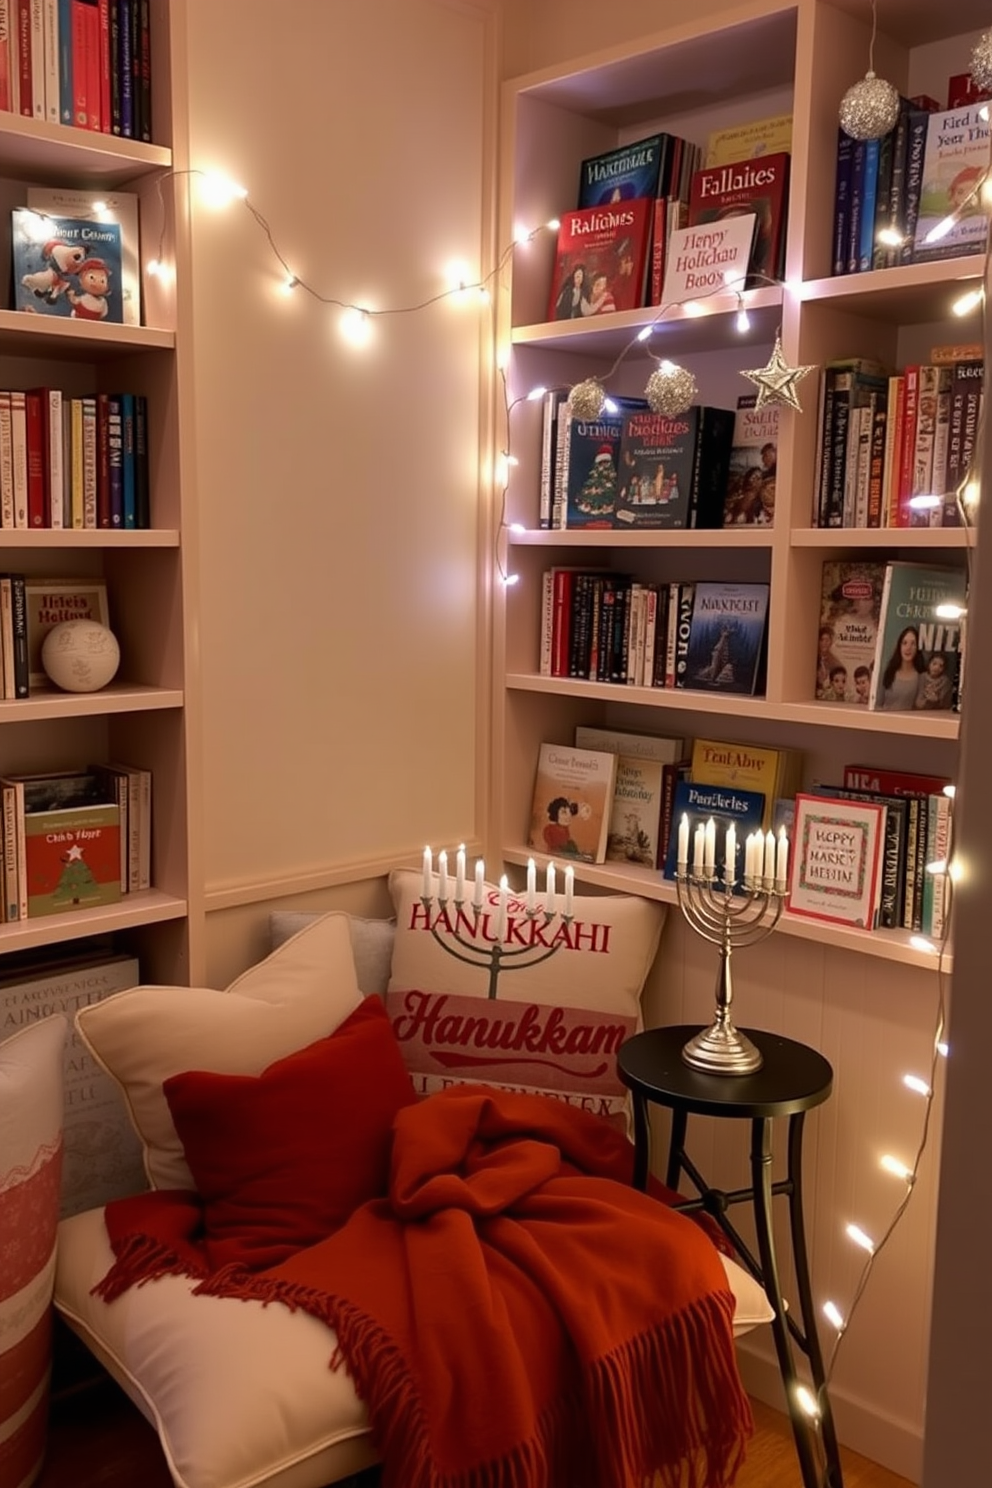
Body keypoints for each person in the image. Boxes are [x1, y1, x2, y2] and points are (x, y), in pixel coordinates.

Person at [876, 625, 926, 710]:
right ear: (899, 646)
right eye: (904, 643)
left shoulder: (921, 676)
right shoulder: (888, 672)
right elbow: (877, 704)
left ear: (918, 648)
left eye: (913, 643)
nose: (908, 648)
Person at [816, 625, 842, 696]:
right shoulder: (813, 658)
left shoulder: (835, 663)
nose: (824, 643)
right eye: (822, 640)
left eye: (827, 640)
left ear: (831, 642)